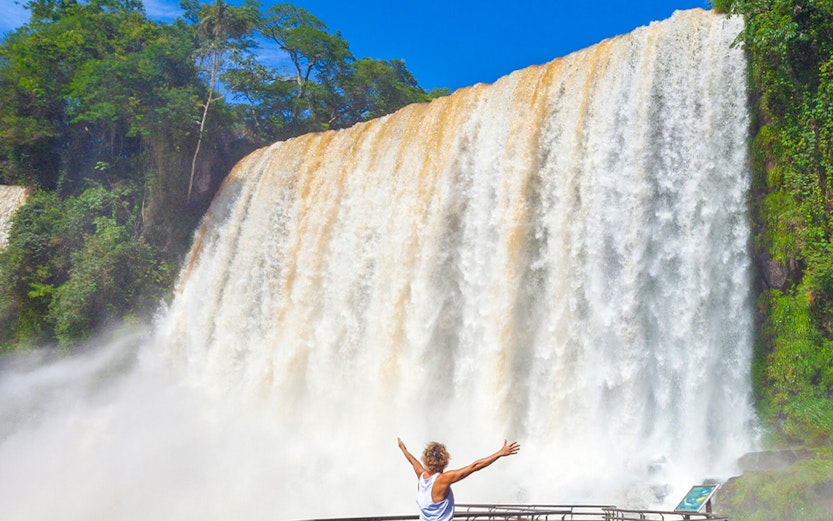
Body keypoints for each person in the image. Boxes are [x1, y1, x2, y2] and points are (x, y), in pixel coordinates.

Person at [397, 437, 520, 521]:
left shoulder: (421, 476)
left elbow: (412, 461)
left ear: (426, 459)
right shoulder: (443, 479)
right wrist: (499, 453)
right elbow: (474, 466)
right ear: (445, 460)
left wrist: (403, 448)